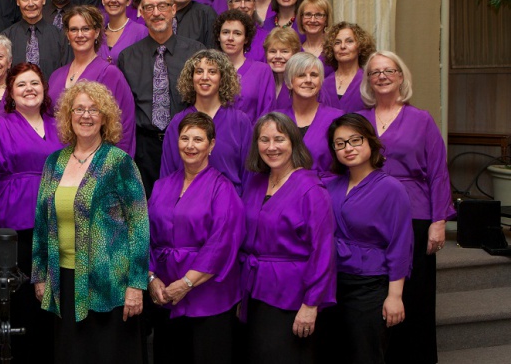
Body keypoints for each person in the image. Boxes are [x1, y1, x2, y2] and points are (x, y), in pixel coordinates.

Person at [32, 81, 149, 364]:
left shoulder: (119, 162)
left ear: (104, 117)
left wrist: (136, 285)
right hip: (63, 280)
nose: (86, 116)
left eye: (93, 110)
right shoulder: (54, 163)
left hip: (108, 283)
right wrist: (40, 275)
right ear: (68, 116)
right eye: (79, 109)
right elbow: (41, 224)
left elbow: (139, 227)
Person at [358, 51, 455, 364]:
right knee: (375, 290)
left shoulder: (421, 119)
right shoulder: (359, 120)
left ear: (401, 76)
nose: (382, 76)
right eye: (375, 72)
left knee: (415, 294)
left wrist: (439, 221)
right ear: (368, 81)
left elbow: (438, 172)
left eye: (389, 70)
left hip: (415, 215)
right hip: (369, 216)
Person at [148, 112, 245, 364]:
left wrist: (186, 284)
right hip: (165, 294)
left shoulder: (223, 189)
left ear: (211, 144)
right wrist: (151, 278)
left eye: (198, 139)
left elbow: (221, 244)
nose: (190, 145)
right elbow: (145, 235)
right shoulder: (161, 186)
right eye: (185, 138)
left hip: (208, 298)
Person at [240, 112, 336, 364]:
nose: (271, 147)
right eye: (264, 140)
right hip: (254, 289)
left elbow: (323, 251)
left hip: (292, 296)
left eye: (279, 139)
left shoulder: (311, 189)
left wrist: (311, 304)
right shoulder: (256, 183)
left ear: (293, 142)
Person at [0, 62, 64, 363]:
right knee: (19, 302)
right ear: (10, 92)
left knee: (52, 299)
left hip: (55, 223)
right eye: (21, 84)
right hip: (14, 222)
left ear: (44, 89)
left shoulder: (60, 126)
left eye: (34, 83)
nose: (29, 89)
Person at [318, 114, 413, 364]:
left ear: (370, 141)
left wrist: (395, 296)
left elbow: (400, 246)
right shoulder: (329, 186)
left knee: (365, 355)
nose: (348, 148)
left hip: (369, 286)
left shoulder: (392, 189)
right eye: (340, 143)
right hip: (331, 284)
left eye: (355, 140)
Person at [116, 0, 206, 194]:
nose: (156, 13)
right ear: (141, 13)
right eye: (149, 7)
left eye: (162, 6)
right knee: (147, 204)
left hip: (185, 143)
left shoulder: (196, 52)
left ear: (173, 9)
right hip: (144, 149)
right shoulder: (128, 58)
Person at [48, 6, 136, 156]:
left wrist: (115, 163)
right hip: (60, 158)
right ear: (67, 34)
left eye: (86, 29)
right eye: (74, 29)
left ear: (96, 32)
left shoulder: (110, 73)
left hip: (98, 159)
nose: (80, 35)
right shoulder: (56, 76)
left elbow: (125, 125)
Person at [161, 50, 252, 193]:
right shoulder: (178, 122)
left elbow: (249, 175)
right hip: (187, 203)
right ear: (191, 78)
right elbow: (167, 174)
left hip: (229, 203)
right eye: (199, 71)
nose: (204, 77)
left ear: (222, 78)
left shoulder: (240, 122)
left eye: (212, 72)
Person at [276, 52, 343, 176]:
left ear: (321, 82)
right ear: (289, 82)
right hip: (284, 186)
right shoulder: (277, 120)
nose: (308, 80)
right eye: (301, 75)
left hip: (325, 185)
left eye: (314, 75)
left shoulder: (337, 118)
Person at [2, 0, 71, 76]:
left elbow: (67, 72)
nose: (30, 4)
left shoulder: (60, 36)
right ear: (17, 1)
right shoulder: (6, 37)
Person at [215, 9, 274, 120]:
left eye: (237, 33)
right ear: (219, 36)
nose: (230, 38)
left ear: (246, 38)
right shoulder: (209, 70)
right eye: (225, 32)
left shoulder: (262, 71)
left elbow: (267, 112)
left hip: (251, 130)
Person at [321, 22, 377, 113]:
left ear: (360, 46)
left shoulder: (369, 81)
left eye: (349, 41)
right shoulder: (324, 84)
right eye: (337, 42)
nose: (342, 46)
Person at [100, 0, 149, 64]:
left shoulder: (140, 32)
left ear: (128, 1)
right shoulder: (98, 34)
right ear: (103, 0)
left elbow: (145, 65)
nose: (113, 0)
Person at [264, 26, 302, 111]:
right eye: (272, 51)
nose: (278, 56)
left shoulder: (302, 84)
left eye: (284, 51)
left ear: (295, 54)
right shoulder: (262, 82)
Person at [298, 0, 334, 76]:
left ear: (326, 20)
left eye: (318, 15)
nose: (312, 20)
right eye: (308, 14)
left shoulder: (334, 50)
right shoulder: (295, 50)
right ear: (301, 19)